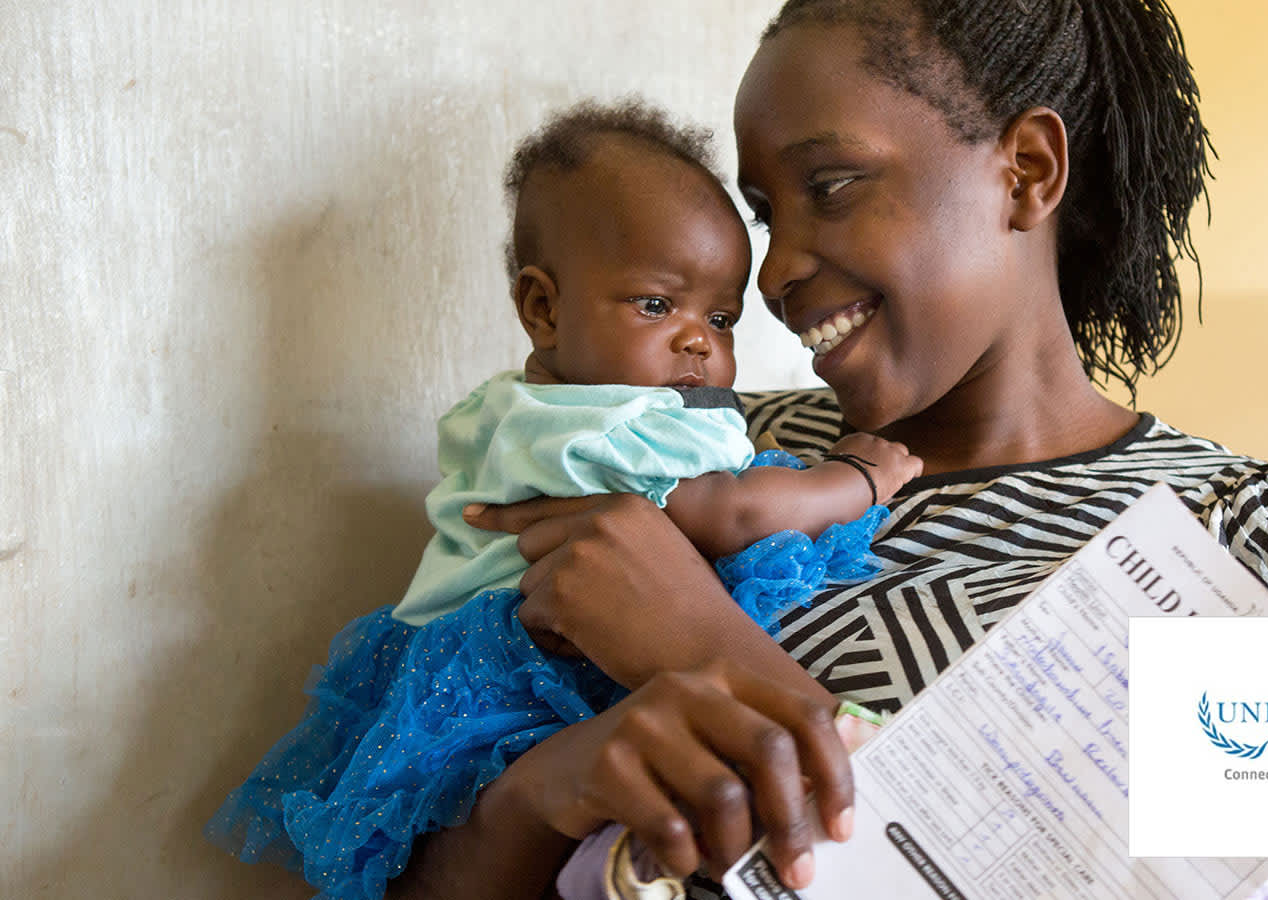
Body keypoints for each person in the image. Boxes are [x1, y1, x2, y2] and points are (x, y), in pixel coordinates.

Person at [373, 2, 1268, 898]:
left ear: (1027, 171)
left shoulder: (1264, 535)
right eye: (762, 215)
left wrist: (710, 652)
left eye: (833, 186)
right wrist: (540, 793)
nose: (775, 272)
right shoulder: (672, 439)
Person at [205, 98, 923, 900]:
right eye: (657, 304)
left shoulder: (516, 411)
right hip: (514, 667)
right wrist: (857, 479)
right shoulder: (612, 423)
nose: (697, 340)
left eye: (720, 317)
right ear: (543, 309)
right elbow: (735, 514)